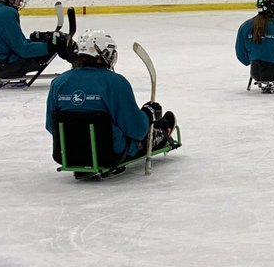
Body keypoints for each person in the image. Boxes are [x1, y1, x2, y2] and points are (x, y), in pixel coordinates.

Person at [45, 30, 177, 176]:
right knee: (146, 132)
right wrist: (148, 113)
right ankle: (163, 131)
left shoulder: (58, 83)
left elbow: (51, 126)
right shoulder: (115, 82)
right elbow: (136, 130)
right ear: (103, 53)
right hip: (109, 153)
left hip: (68, 154)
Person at [0, 0, 70, 81]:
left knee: (53, 42)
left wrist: (37, 39)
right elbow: (23, 49)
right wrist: (49, 45)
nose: (21, 1)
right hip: (8, 67)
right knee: (61, 43)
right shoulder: (6, 13)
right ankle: (80, 69)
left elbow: (11, 42)